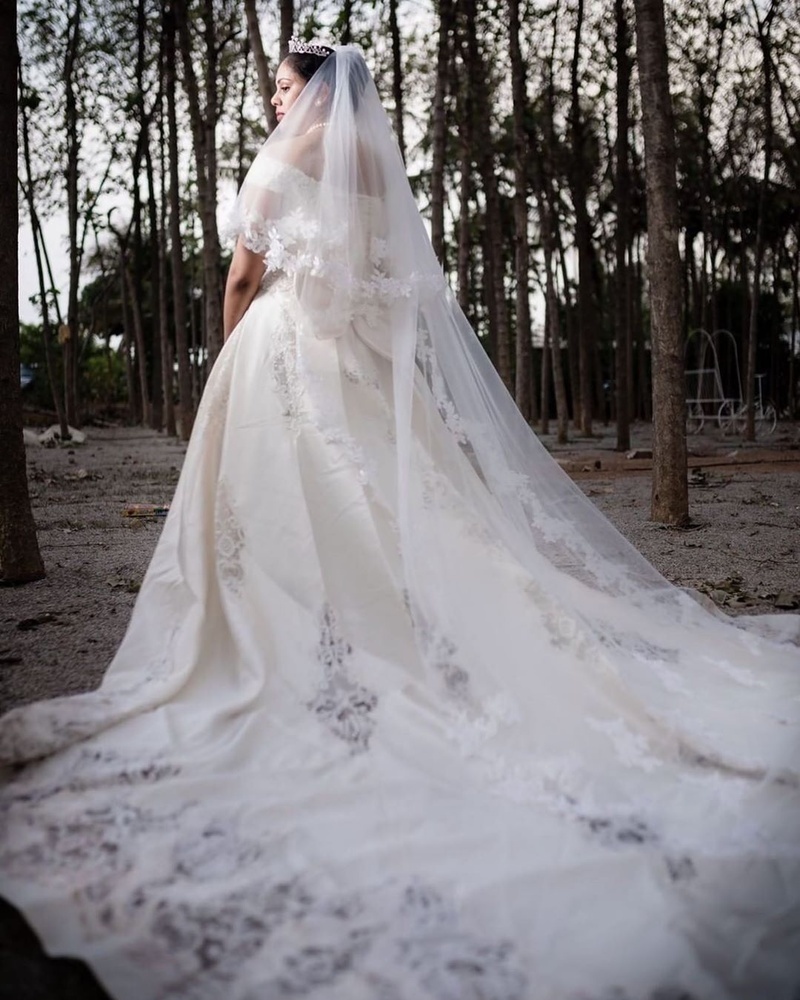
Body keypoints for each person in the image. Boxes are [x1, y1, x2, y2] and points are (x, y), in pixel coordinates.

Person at [1, 40, 799, 1000]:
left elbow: (246, 277)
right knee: (392, 500)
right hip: (363, 361)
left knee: (285, 509)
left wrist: (230, 348)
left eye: (285, 89)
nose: (276, 106)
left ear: (316, 90)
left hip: (286, 351)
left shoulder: (284, 159)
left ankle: (303, 645)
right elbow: (400, 281)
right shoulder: (379, 162)